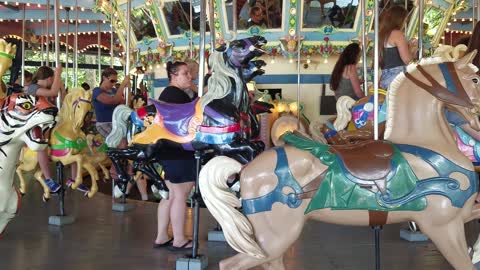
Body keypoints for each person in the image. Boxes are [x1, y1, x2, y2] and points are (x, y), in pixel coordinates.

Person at [154, 61, 196, 251]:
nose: (190, 76)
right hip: (178, 151)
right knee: (180, 194)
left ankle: (162, 236)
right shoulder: (175, 95)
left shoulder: (172, 94)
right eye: (185, 73)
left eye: (189, 73)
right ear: (174, 75)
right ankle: (179, 239)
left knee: (171, 195)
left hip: (169, 150)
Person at [26, 66, 87, 193]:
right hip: (38, 123)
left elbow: (63, 100)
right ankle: (48, 178)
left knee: (72, 139)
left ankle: (73, 178)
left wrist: (61, 87)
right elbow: (53, 93)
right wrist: (58, 74)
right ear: (49, 78)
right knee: (41, 144)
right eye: (53, 79)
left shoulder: (48, 88)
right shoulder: (33, 88)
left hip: (51, 120)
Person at [92, 68, 147, 199]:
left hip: (117, 123)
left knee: (129, 142)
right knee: (122, 143)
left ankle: (126, 168)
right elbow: (113, 101)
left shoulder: (113, 91)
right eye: (112, 81)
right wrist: (122, 85)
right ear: (104, 78)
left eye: (115, 81)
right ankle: (115, 169)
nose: (113, 83)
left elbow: (123, 103)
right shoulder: (97, 91)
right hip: (105, 123)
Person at [379, 5, 417, 90]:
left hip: (385, 76)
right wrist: (412, 49)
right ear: (400, 19)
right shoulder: (397, 34)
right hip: (397, 77)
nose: (405, 22)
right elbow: (407, 60)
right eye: (405, 19)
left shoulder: (382, 34)